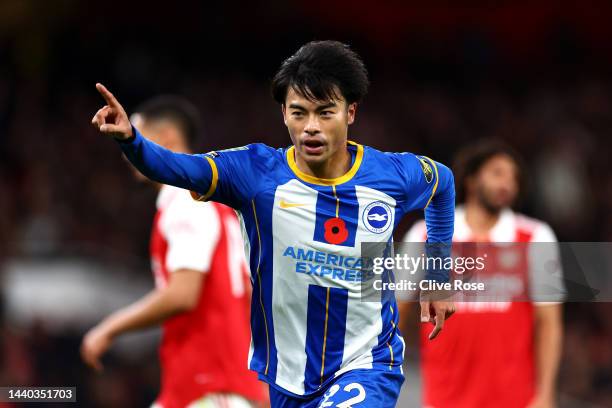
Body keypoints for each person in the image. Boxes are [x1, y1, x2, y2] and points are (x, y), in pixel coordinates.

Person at [90, 41, 456, 407]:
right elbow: (180, 167)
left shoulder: (392, 175)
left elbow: (443, 185)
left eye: (325, 113)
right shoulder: (255, 174)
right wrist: (131, 141)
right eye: (299, 113)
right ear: (283, 113)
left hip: (367, 364)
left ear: (351, 113)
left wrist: (439, 278)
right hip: (286, 376)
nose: (311, 127)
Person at [81, 96, 266, 408]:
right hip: (205, 386)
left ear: (166, 138)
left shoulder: (184, 198)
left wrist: (110, 327)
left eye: (135, 135)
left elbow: (183, 293)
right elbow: (249, 293)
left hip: (209, 384)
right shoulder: (215, 204)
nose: (127, 155)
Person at [402, 140, 565, 408]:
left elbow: (549, 322)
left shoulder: (535, 236)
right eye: (497, 173)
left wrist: (545, 394)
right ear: (471, 179)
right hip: (443, 397)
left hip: (515, 398)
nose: (507, 184)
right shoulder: (426, 235)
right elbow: (396, 306)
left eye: (513, 177)